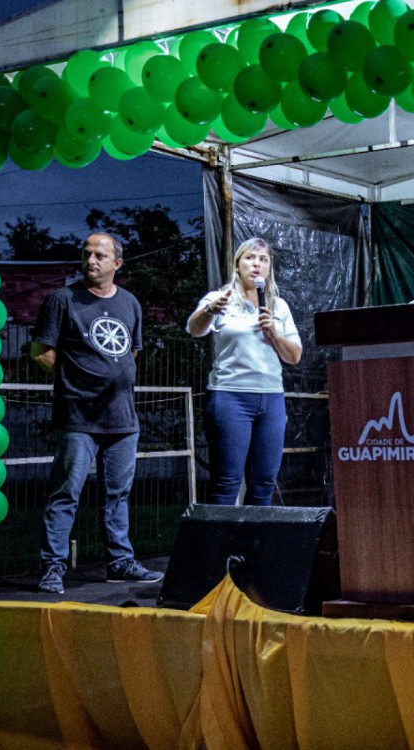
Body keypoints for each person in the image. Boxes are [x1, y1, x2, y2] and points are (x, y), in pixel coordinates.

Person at [31, 233, 160, 594]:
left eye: (100, 256)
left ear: (117, 263)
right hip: (78, 418)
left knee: (118, 494)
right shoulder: (62, 299)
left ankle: (119, 562)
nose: (91, 261)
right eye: (87, 254)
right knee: (65, 493)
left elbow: (130, 352)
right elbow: (40, 351)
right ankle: (53, 567)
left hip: (122, 419)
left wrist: (110, 377)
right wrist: (76, 381)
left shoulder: (130, 303)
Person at [187, 237, 303, 506]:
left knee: (263, 482)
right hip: (230, 397)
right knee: (227, 481)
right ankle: (221, 548)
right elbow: (194, 329)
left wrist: (273, 333)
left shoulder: (278, 306)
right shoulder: (220, 298)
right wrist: (209, 310)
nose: (256, 264)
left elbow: (294, 356)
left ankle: (253, 547)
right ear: (237, 264)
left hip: (271, 398)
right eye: (250, 257)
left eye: (263, 259)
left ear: (269, 268)